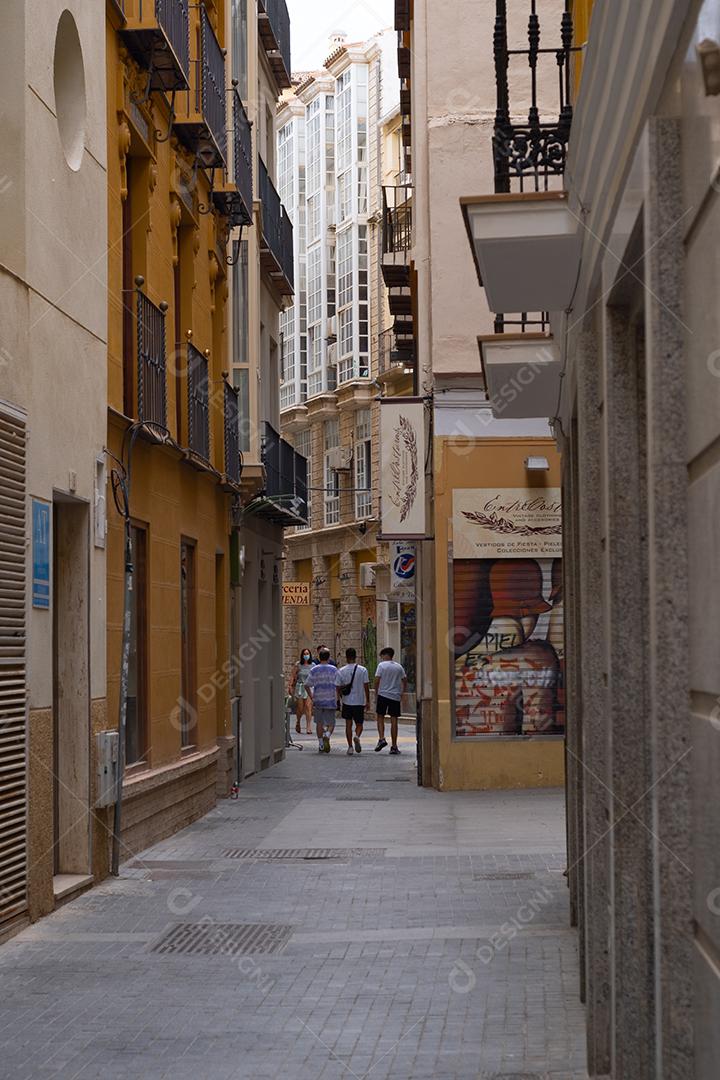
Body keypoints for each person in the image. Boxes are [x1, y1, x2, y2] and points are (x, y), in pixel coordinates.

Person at [335, 647, 370, 755]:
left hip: (347, 702)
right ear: (356, 656)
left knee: (348, 724)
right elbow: (366, 686)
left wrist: (340, 698)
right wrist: (367, 700)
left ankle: (350, 747)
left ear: (346, 657)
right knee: (359, 724)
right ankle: (357, 736)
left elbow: (337, 687)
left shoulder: (341, 671)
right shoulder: (363, 670)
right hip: (359, 701)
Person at [374, 647, 408, 754]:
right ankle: (394, 746)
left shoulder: (381, 666)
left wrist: (376, 693)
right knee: (394, 721)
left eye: (381, 656)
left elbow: (376, 680)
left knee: (380, 717)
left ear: (385, 655)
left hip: (383, 694)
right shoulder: (399, 667)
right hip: (395, 696)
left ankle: (382, 738)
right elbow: (405, 680)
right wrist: (402, 692)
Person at [305, 648, 338, 753]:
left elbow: (307, 684)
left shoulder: (314, 670)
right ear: (329, 657)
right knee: (331, 722)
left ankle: (321, 744)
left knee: (319, 722)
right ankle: (327, 736)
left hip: (318, 699)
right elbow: (339, 683)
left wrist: (311, 696)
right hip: (330, 699)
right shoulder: (334, 669)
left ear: (319, 658)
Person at [289, 649, 314, 735]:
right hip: (300, 687)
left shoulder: (313, 665)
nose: (306, 655)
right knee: (300, 708)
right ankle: (298, 722)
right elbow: (293, 676)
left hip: (309, 688)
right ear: (302, 655)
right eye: (304, 654)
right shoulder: (298, 665)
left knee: (308, 706)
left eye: (307, 653)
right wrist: (290, 686)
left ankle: (308, 727)